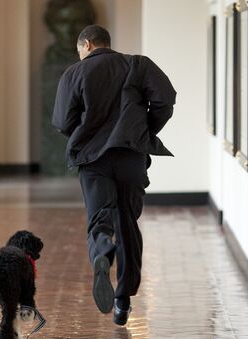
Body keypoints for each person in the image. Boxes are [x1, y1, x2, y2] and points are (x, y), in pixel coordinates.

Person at [52, 25, 176, 326]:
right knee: (127, 223)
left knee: (100, 217)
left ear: (87, 44)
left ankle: (102, 252)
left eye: (79, 50)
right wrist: (142, 130)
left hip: (94, 159)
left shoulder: (74, 73)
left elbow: (61, 120)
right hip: (130, 156)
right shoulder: (137, 64)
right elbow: (165, 99)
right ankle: (123, 300)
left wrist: (84, 133)